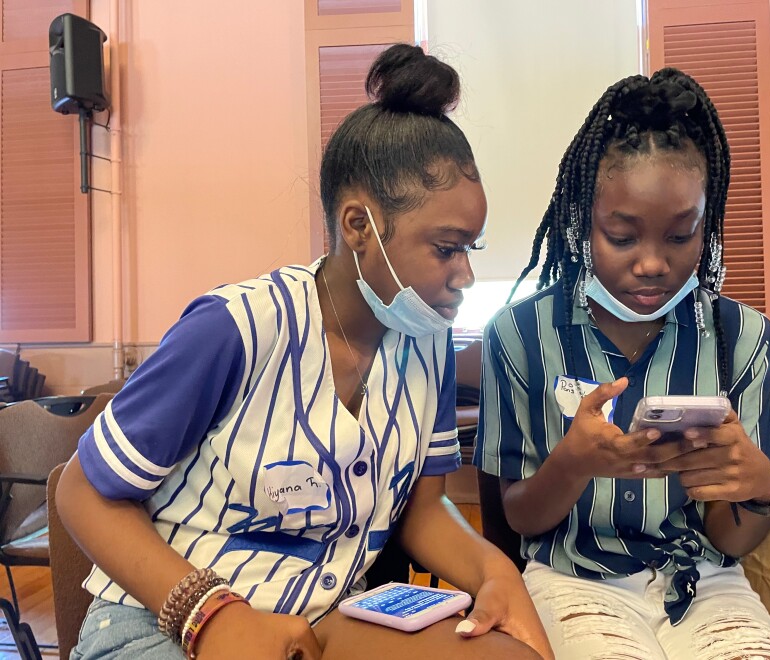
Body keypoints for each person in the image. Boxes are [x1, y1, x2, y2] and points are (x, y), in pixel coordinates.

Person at [58, 44, 551, 660]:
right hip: (168, 620)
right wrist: (211, 615)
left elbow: (425, 510)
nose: (464, 276)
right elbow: (82, 491)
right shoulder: (236, 329)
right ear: (358, 226)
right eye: (446, 248)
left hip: (323, 618)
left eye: (471, 249)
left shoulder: (428, 346)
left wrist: (493, 571)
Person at [475, 68, 770, 659]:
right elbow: (518, 517)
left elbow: (734, 538)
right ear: (583, 223)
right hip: (573, 581)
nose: (652, 264)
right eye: (622, 237)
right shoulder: (520, 334)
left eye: (680, 237)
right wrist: (572, 463)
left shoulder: (743, 337)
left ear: (707, 224)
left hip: (707, 584)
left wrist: (756, 488)